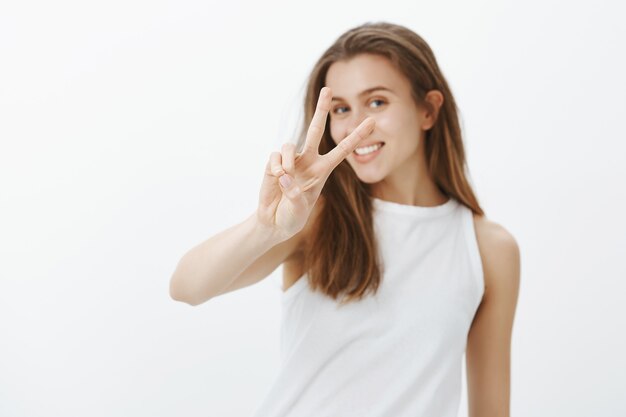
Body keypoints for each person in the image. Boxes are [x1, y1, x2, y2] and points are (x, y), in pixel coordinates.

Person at [170, 21, 520, 417]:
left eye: (377, 103)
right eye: (341, 109)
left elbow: (491, 410)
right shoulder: (314, 218)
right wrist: (265, 227)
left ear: (428, 109)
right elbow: (186, 287)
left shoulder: (489, 249)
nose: (356, 127)